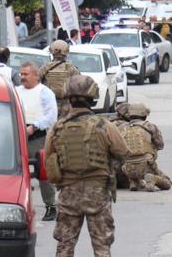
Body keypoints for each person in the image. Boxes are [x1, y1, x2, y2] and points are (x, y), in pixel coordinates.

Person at [44, 75, 129, 257]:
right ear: (93, 97)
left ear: (68, 98)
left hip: (68, 194)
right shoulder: (104, 125)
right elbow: (123, 151)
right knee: (102, 247)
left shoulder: (57, 128)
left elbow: (49, 161)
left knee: (65, 247)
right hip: (97, 193)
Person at [15, 61, 58, 221]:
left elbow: (51, 116)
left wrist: (34, 127)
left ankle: (50, 206)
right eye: (21, 74)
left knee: (43, 172)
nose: (22, 77)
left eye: (26, 74)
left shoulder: (44, 92)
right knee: (15, 172)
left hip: (37, 136)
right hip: (17, 135)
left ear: (35, 75)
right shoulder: (16, 91)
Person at [113, 103, 171, 192]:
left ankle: (134, 181)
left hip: (127, 168)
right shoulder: (150, 126)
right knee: (167, 183)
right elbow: (160, 145)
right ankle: (153, 179)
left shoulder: (124, 128)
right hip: (146, 165)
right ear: (145, 115)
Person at [39, 40, 81, 118]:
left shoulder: (45, 68)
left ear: (52, 52)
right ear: (66, 52)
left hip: (48, 104)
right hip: (66, 105)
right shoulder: (71, 69)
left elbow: (36, 84)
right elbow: (78, 86)